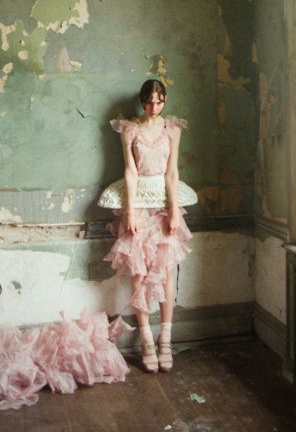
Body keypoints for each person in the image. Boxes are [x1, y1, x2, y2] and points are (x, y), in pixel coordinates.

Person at [98, 79, 197, 373]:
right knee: (139, 272)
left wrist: (174, 211)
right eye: (149, 102)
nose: (154, 107)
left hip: (164, 200)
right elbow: (129, 170)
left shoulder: (172, 129)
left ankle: (166, 339)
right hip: (139, 200)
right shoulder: (130, 130)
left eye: (159, 101)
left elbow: (172, 171)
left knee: (165, 271)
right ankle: (147, 342)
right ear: (142, 102)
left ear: (165, 100)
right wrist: (129, 211)